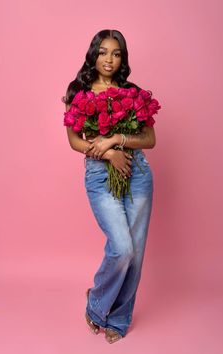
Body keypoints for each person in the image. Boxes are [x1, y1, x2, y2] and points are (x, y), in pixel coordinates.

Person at [62, 29, 156, 344]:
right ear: (94, 54)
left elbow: (150, 139)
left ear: (122, 58)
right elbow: (75, 141)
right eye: (103, 52)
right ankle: (97, 302)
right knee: (122, 248)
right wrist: (111, 154)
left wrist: (118, 139)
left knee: (137, 253)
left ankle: (118, 318)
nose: (109, 59)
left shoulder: (133, 92)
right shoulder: (78, 91)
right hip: (100, 174)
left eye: (116, 54)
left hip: (138, 172)